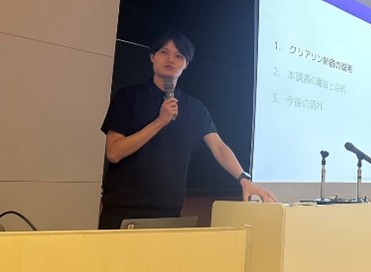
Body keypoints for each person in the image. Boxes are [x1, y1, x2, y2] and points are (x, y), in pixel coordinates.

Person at [98, 31, 276, 229]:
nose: (170, 59)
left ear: (186, 64)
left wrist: (243, 178)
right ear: (152, 56)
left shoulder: (194, 107)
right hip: (123, 209)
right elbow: (114, 152)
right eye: (164, 52)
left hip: (169, 211)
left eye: (179, 56)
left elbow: (218, 147)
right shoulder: (128, 97)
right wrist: (160, 122)